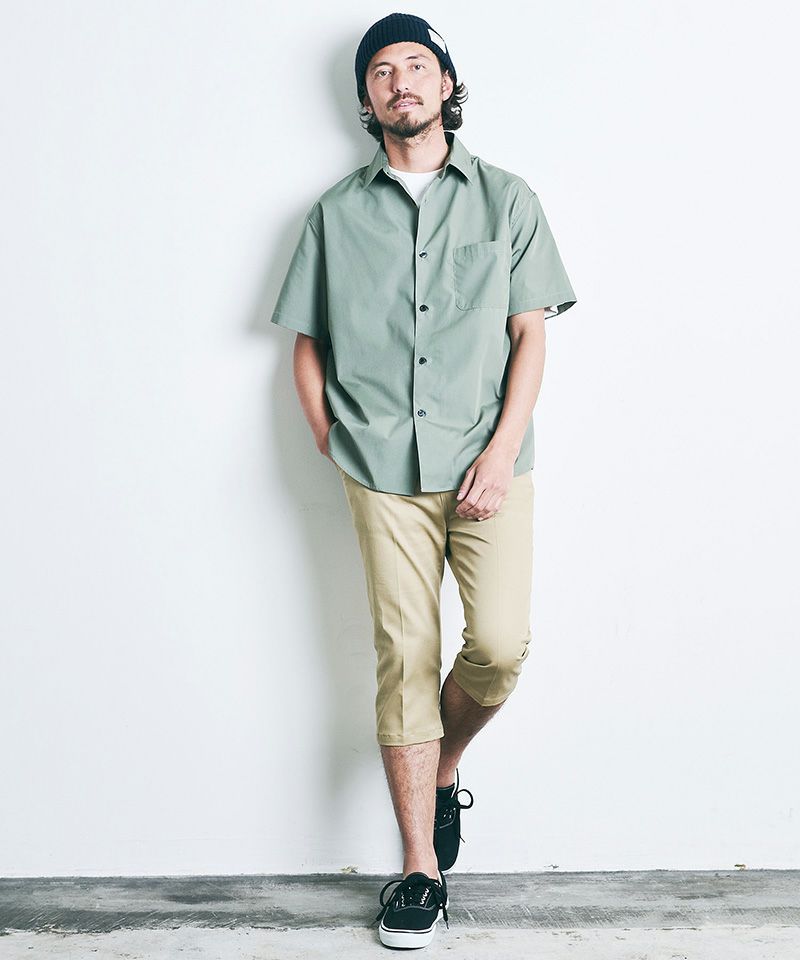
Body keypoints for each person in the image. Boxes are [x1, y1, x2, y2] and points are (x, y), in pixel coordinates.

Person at [270, 11, 577, 950]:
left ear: (446, 83)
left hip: (490, 459)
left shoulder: (508, 199)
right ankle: (418, 870)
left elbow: (530, 334)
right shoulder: (334, 213)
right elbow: (307, 341)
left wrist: (501, 449)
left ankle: (444, 767)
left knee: (500, 645)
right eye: (380, 71)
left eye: (416, 64)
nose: (399, 80)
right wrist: (330, 436)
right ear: (366, 99)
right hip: (381, 470)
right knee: (404, 655)